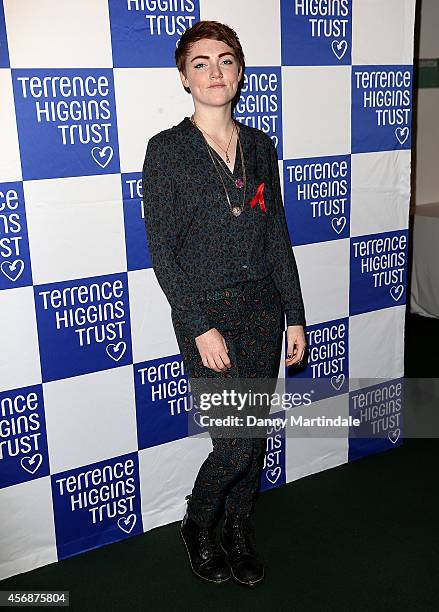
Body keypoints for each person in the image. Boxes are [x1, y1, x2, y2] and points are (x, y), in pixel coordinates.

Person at [142, 20, 307, 587]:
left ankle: (239, 529)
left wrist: (296, 314)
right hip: (208, 316)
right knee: (234, 442)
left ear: (239, 71)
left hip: (264, 308)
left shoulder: (260, 145)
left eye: (226, 60)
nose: (216, 72)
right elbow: (163, 252)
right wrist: (199, 325)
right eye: (201, 63)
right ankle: (197, 524)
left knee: (252, 434)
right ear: (184, 78)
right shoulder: (166, 150)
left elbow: (275, 234)